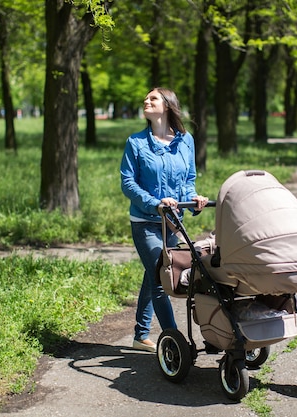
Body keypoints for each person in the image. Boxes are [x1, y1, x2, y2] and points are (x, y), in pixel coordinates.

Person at [120, 87, 209, 353]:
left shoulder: (186, 140)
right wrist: (155, 202)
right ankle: (175, 342)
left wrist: (194, 199)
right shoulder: (135, 143)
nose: (146, 101)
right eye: (146, 99)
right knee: (162, 277)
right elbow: (128, 183)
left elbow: (188, 179)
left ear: (168, 106)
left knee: (154, 272)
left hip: (172, 222)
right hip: (146, 221)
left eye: (153, 98)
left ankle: (140, 335)